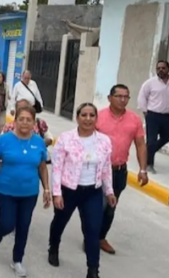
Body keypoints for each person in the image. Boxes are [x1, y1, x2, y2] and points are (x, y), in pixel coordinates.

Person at [48, 103, 117, 278]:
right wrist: (57, 193)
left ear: (96, 118)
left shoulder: (104, 141)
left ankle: (93, 269)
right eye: (84, 115)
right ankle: (53, 247)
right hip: (69, 190)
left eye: (91, 115)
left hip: (93, 191)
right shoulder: (66, 138)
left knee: (93, 229)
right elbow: (57, 167)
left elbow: (106, 168)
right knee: (60, 221)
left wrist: (109, 191)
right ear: (77, 117)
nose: (88, 119)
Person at [0, 106, 51, 276]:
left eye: (29, 120)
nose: (24, 123)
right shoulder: (4, 140)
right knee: (7, 224)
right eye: (21, 119)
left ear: (34, 123)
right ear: (15, 121)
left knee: (23, 226)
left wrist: (46, 189)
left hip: (29, 193)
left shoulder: (38, 142)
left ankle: (17, 260)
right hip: (6, 190)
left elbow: (42, 167)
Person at [96, 84, 148, 254]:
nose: (123, 99)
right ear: (109, 98)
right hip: (97, 170)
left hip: (118, 171)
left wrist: (143, 169)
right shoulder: (98, 117)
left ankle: (100, 237)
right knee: (97, 206)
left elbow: (140, 145)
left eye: (126, 96)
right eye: (119, 96)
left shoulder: (134, 120)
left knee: (110, 207)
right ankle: (91, 237)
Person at [137, 60, 169, 174]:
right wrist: (146, 112)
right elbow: (142, 97)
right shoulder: (150, 83)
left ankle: (148, 152)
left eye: (163, 68)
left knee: (166, 137)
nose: (160, 70)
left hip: (166, 116)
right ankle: (149, 164)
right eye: (158, 68)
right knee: (151, 140)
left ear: (168, 69)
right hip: (153, 116)